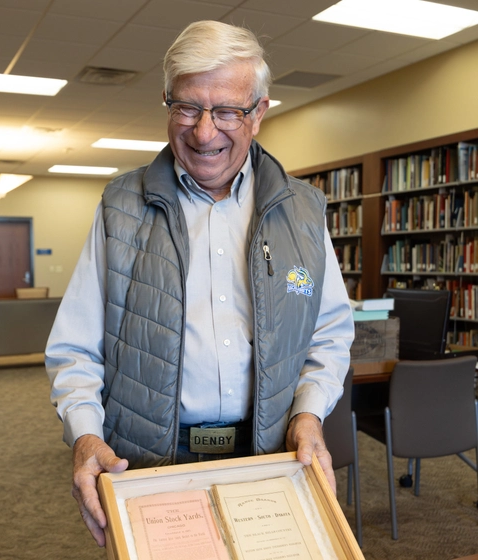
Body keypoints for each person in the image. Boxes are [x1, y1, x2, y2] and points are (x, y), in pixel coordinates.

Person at [45, 19, 354, 547]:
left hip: (269, 458)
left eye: (227, 110)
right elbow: (76, 347)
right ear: (167, 101)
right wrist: (85, 433)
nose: (204, 131)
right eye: (186, 106)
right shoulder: (122, 207)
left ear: (259, 113)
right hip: (150, 464)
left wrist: (309, 413)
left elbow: (327, 332)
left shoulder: (301, 210)